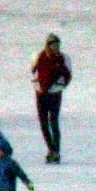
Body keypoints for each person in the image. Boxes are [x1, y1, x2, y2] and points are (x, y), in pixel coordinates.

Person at [31, 35, 71, 163]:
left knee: (53, 122)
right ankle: (51, 150)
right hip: (41, 93)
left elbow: (67, 75)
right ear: (48, 45)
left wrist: (58, 85)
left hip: (55, 93)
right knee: (43, 123)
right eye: (54, 45)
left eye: (58, 45)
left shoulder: (64, 58)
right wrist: (39, 86)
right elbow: (33, 72)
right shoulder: (39, 57)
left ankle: (56, 152)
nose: (56, 48)